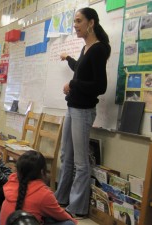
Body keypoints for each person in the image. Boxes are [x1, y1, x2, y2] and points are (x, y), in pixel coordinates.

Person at [55, 7, 111, 218]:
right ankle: (61, 198)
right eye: (74, 22)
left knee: (80, 162)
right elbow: (80, 68)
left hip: (83, 111)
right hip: (73, 107)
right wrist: (68, 58)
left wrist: (73, 83)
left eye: (79, 21)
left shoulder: (99, 49)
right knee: (65, 156)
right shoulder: (86, 48)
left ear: (91, 22)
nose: (75, 25)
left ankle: (77, 207)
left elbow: (100, 86)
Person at [0, 151, 76, 225]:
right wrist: (74, 221)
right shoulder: (44, 193)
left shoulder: (12, 180)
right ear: (42, 171)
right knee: (69, 223)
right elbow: (61, 215)